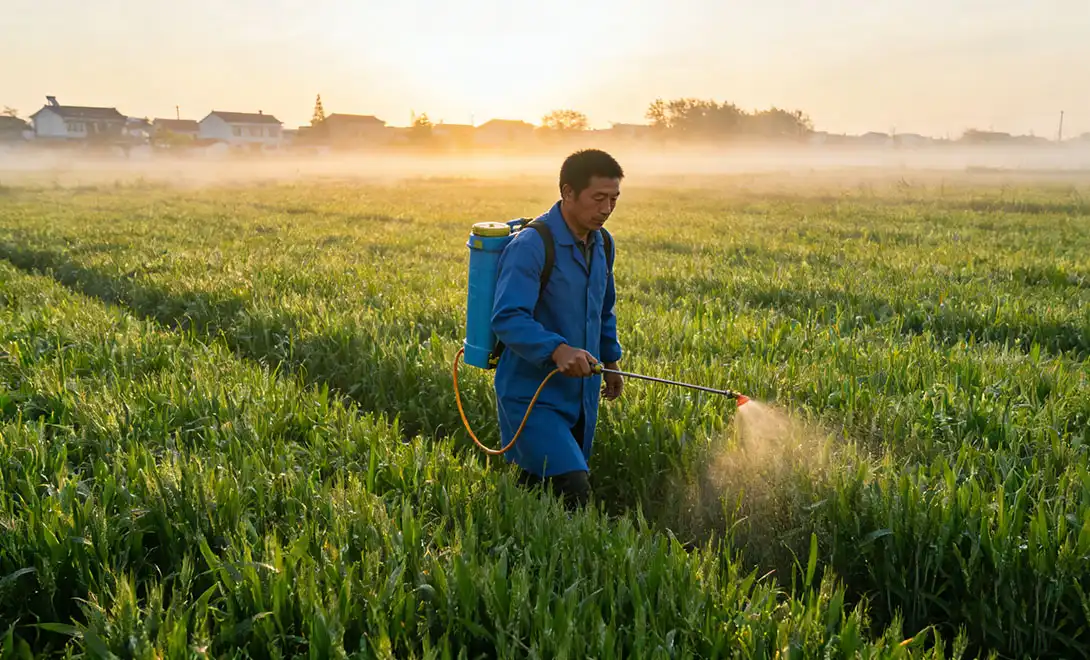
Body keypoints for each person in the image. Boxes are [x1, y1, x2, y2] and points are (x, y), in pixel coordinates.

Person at [490, 149, 625, 508]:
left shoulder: (603, 243)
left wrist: (610, 362)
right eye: (598, 198)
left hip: (579, 393)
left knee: (538, 488)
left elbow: (603, 310)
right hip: (531, 394)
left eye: (613, 199)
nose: (607, 208)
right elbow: (508, 316)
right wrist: (557, 349)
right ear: (568, 192)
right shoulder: (533, 245)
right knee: (572, 488)